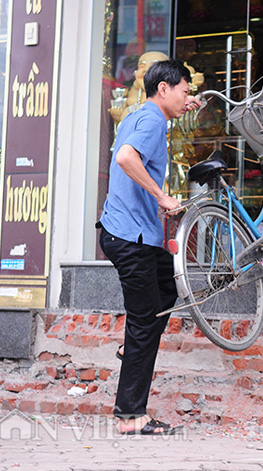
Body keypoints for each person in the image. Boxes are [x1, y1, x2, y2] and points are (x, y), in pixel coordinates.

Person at [98, 59, 201, 436]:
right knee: (146, 320)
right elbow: (126, 157)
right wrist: (162, 196)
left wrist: (183, 107)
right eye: (185, 91)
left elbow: (131, 146)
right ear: (164, 89)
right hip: (130, 237)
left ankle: (132, 348)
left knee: (168, 288)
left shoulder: (143, 114)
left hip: (130, 233)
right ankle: (131, 416)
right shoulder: (153, 120)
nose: (187, 98)